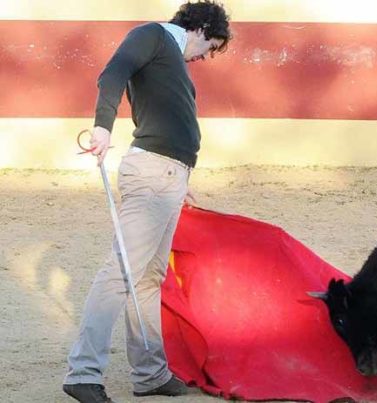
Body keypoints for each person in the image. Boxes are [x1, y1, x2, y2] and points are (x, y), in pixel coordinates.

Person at [63, 2, 231, 402]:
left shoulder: (170, 57)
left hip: (169, 177)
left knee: (148, 278)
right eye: (211, 46)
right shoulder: (153, 35)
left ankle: (150, 373)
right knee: (122, 270)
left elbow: (169, 118)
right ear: (201, 26)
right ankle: (83, 372)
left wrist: (181, 177)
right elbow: (112, 74)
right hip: (153, 174)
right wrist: (103, 127)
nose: (207, 56)